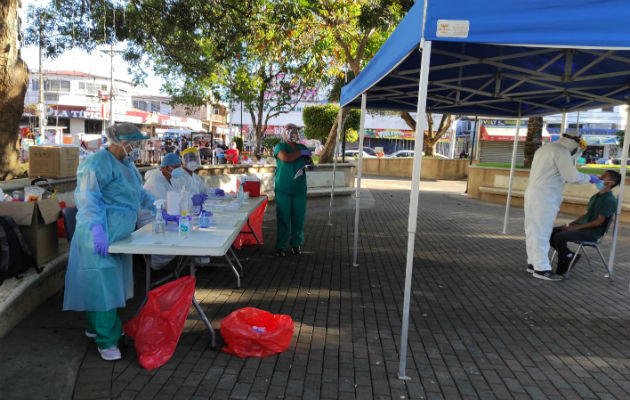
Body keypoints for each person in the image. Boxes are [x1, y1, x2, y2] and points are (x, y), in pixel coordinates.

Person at [63, 123, 156, 361]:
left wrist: (159, 205)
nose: (135, 149)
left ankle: (96, 328)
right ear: (121, 143)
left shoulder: (128, 166)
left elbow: (139, 194)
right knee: (101, 286)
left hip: (118, 233)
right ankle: (107, 342)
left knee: (103, 285)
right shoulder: (97, 164)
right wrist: (97, 229)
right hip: (98, 234)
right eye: (132, 144)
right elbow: (87, 198)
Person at [524, 129, 601, 281]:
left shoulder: (545, 148)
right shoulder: (561, 152)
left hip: (533, 193)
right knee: (542, 232)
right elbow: (571, 176)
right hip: (545, 196)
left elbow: (561, 166)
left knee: (533, 229)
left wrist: (577, 153)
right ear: (576, 142)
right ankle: (541, 268)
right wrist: (590, 178)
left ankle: (533, 263)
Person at [549, 170, 620, 275]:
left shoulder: (608, 200)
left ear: (611, 183)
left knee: (559, 236)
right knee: (550, 232)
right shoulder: (596, 196)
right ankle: (568, 255)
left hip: (591, 233)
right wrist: (571, 224)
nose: (599, 178)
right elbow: (585, 214)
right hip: (582, 228)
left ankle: (563, 261)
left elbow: (598, 222)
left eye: (604, 176)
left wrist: (574, 228)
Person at [273, 124, 310, 256]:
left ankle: (296, 244)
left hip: (299, 190)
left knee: (298, 219)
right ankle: (281, 246)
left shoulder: (302, 147)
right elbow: (286, 158)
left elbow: (309, 163)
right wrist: (301, 153)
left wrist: (309, 162)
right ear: (284, 132)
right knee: (283, 218)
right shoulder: (280, 147)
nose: (292, 133)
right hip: (283, 190)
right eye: (290, 130)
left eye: (295, 130)